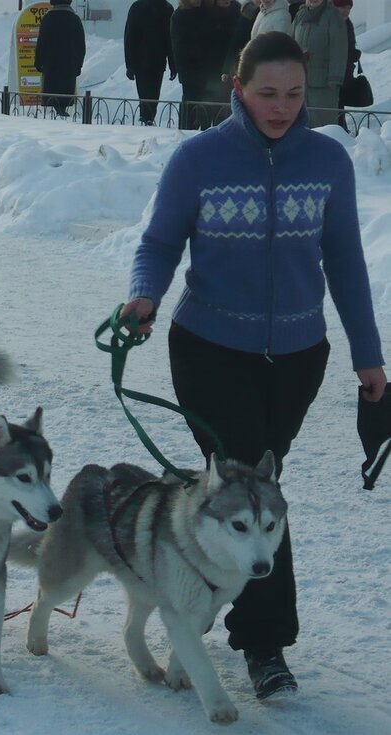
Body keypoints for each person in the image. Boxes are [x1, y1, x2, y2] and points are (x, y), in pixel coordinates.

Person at [120, 31, 386, 702]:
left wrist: (368, 358)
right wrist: (144, 295)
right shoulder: (199, 159)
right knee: (249, 475)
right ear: (238, 89)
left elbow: (347, 262)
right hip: (209, 350)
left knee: (255, 485)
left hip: (298, 358)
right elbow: (158, 241)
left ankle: (206, 584)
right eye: (267, 93)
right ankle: (266, 644)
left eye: (295, 94)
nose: (283, 106)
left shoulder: (328, 162)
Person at [292, 0, 346, 127]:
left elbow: (339, 48)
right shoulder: (301, 14)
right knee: (301, 122)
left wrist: (335, 78)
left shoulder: (332, 15)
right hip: (300, 79)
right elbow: (290, 42)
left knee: (322, 123)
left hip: (324, 82)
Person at [123, 0, 175, 126]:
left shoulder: (166, 8)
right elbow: (130, 36)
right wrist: (130, 64)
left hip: (153, 60)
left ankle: (147, 118)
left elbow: (170, 38)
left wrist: (173, 64)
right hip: (144, 61)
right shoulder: (139, 7)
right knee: (147, 94)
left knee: (152, 94)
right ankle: (146, 118)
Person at [34, 0, 85, 117]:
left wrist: (38, 61)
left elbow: (41, 42)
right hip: (69, 64)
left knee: (52, 92)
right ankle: (61, 108)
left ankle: (56, 108)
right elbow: (81, 45)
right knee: (64, 93)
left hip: (51, 64)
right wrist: (79, 64)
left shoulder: (48, 19)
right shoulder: (74, 19)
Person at [170, 0, 210, 129]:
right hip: (189, 69)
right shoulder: (180, 15)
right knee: (190, 103)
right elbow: (178, 45)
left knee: (206, 104)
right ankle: (186, 131)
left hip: (207, 69)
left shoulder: (207, 12)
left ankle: (204, 130)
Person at [333, 0, 358, 130]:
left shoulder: (347, 24)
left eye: (348, 8)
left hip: (344, 73)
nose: (346, 11)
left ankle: (342, 129)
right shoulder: (333, 23)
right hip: (333, 73)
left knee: (340, 105)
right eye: (342, 7)